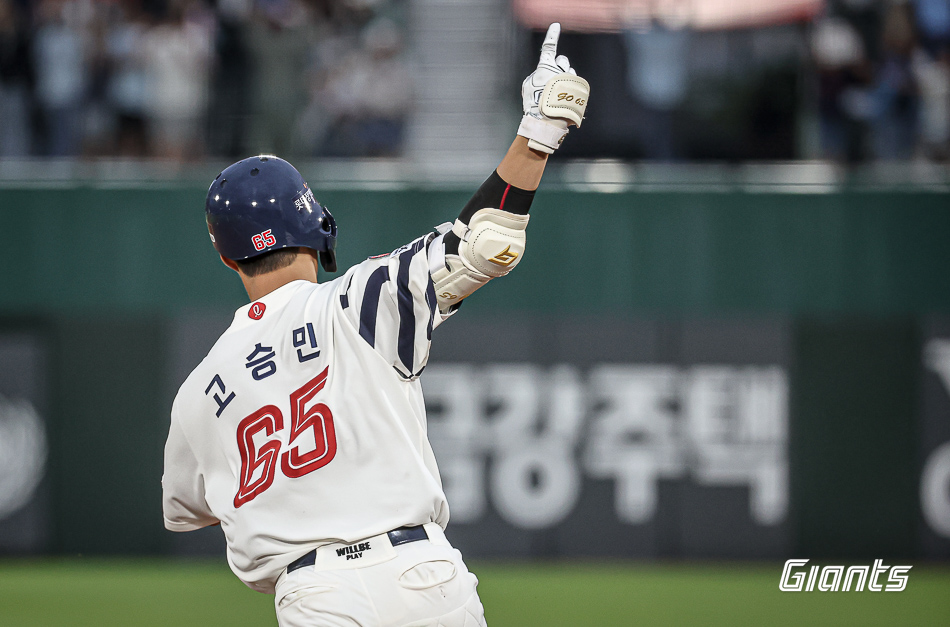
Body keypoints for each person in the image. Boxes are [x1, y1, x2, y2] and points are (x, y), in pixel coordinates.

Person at [161, 23, 588, 626]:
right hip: (422, 578)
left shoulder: (198, 393)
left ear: (226, 255)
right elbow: (485, 242)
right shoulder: (360, 299)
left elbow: (186, 509)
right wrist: (537, 135)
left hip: (315, 597)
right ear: (316, 227)